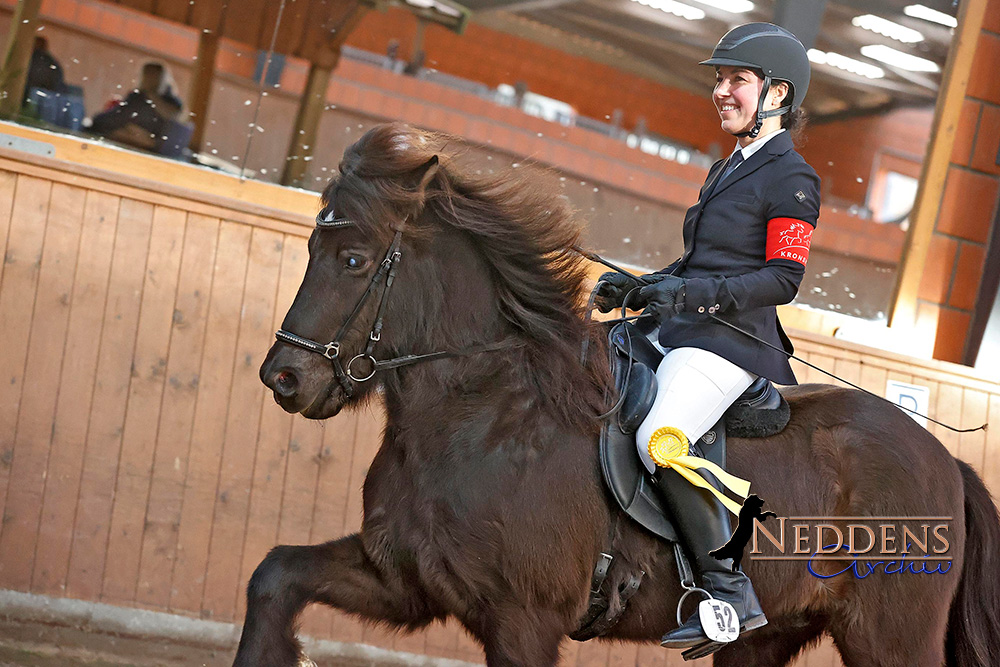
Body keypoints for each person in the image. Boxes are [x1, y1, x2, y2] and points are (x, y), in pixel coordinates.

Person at [596, 23, 820, 649]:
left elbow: (782, 279)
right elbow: (701, 263)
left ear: (776, 93)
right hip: (684, 325)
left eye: (735, 81)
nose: (720, 91)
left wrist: (689, 294)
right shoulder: (727, 167)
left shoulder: (793, 180)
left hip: (733, 343)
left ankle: (728, 589)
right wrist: (643, 286)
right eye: (718, 80)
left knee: (658, 439)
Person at [89, 61, 183, 151]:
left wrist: (152, 95)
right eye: (147, 74)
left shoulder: (170, 101)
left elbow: (175, 117)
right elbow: (114, 116)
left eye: (152, 75)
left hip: (150, 145)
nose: (148, 78)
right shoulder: (137, 96)